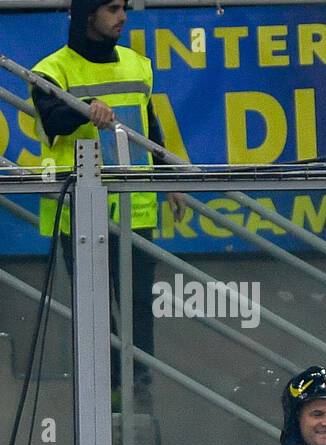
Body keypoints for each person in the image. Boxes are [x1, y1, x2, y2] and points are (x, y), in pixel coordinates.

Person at [29, 0, 182, 402]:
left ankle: (138, 390)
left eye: (125, 8)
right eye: (112, 8)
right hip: (81, 211)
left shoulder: (137, 63)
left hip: (136, 204)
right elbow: (52, 121)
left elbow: (149, 127)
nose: (123, 17)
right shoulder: (51, 69)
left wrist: (170, 179)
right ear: (88, 14)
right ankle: (106, 394)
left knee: (138, 308)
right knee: (95, 311)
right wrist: (83, 112)